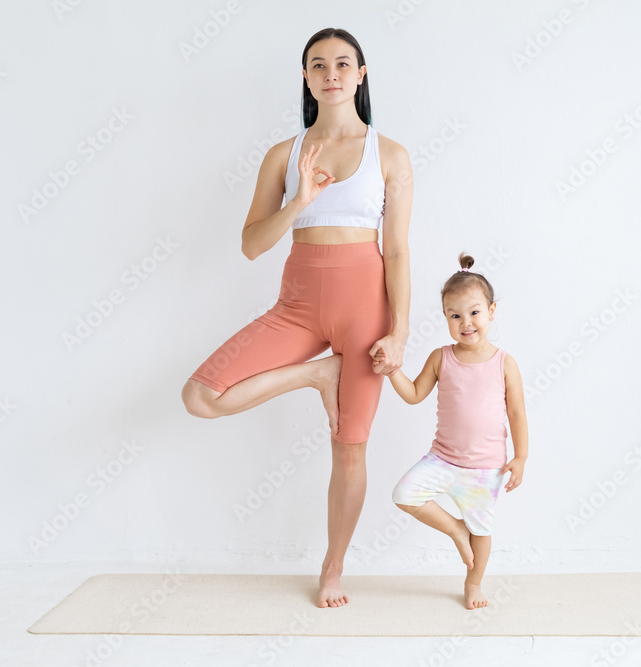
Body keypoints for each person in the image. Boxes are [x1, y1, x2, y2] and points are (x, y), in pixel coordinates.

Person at [180, 28, 413, 608]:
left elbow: (400, 250)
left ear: (361, 74)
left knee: (349, 446)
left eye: (342, 63)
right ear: (306, 78)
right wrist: (300, 198)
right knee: (200, 394)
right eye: (317, 65)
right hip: (297, 307)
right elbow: (252, 245)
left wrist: (399, 331)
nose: (330, 73)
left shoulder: (391, 155)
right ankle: (317, 375)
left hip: (366, 310)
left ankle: (332, 569)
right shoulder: (284, 155)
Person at [378, 253, 528, 610]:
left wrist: (520, 457)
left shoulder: (504, 363)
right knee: (404, 494)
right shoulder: (440, 357)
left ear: (491, 311)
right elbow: (414, 394)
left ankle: (473, 585)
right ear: (445, 317)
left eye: (474, 312)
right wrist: (391, 371)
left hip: (485, 468)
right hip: (442, 459)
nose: (466, 322)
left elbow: (517, 412)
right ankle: (455, 530)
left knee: (483, 530)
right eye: (455, 315)